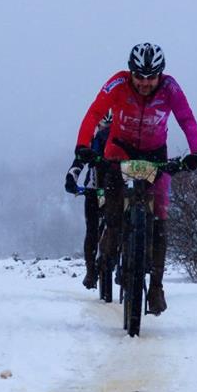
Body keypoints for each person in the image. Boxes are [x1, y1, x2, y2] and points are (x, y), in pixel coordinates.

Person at [73, 43, 197, 315]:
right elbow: (95, 112)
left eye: (151, 77)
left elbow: (186, 119)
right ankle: (108, 251)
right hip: (119, 150)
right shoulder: (118, 83)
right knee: (113, 215)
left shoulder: (170, 88)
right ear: (130, 72)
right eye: (139, 77)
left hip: (155, 154)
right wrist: (83, 145)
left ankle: (155, 288)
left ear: (160, 74)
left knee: (160, 219)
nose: (145, 83)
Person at [65, 113, 111, 289]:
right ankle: (91, 270)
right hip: (97, 188)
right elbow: (78, 162)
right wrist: (71, 178)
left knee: (94, 230)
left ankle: (91, 272)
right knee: (93, 229)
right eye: (104, 127)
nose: (106, 131)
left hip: (104, 189)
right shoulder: (93, 142)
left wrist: (71, 179)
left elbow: (77, 164)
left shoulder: (120, 141)